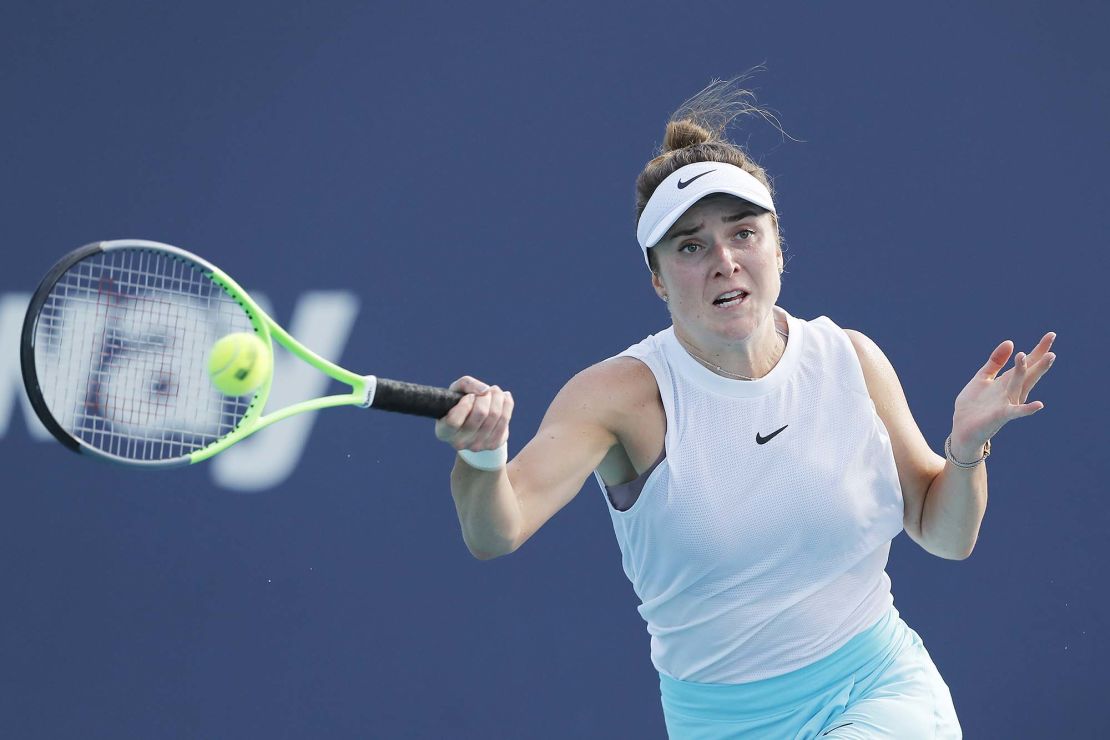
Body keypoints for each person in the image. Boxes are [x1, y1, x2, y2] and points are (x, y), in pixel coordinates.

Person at [434, 79, 1056, 738]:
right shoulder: (617, 397)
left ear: (778, 247)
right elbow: (495, 531)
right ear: (657, 278)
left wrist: (964, 451)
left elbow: (946, 534)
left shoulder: (851, 359)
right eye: (691, 246)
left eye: (743, 233)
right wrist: (482, 453)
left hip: (881, 692)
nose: (724, 261)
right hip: (716, 724)